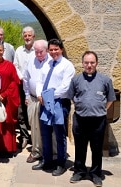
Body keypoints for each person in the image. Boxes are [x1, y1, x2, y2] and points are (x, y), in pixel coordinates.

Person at [67, 51, 116, 187]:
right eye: (87, 63)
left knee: (97, 148)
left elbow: (111, 99)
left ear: (96, 63)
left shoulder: (105, 80)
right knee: (80, 148)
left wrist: (101, 109)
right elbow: (71, 96)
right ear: (82, 63)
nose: (89, 65)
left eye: (92, 62)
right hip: (80, 119)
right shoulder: (76, 80)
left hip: (98, 120)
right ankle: (79, 171)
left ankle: (95, 174)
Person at [33, 39, 75, 176]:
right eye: (51, 50)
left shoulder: (67, 66)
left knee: (59, 134)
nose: (53, 52)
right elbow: (40, 81)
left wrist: (48, 96)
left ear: (61, 49)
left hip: (59, 103)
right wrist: (40, 94)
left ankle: (61, 163)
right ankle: (47, 160)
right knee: (45, 133)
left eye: (56, 49)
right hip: (45, 102)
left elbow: (65, 87)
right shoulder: (47, 64)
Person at [23, 40, 52, 163]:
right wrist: (26, 95)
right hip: (33, 98)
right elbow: (26, 78)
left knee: (49, 127)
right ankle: (36, 151)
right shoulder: (31, 60)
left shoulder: (52, 61)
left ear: (46, 50)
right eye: (36, 51)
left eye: (41, 52)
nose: (38, 54)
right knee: (34, 127)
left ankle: (51, 152)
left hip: (48, 99)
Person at [0, 43, 21, 156]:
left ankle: (9, 148)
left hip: (7, 98)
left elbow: (15, 82)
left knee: (7, 123)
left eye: (0, 50)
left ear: (3, 51)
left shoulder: (9, 65)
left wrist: (4, 94)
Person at [14, 26, 36, 149]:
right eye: (25, 35)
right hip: (21, 84)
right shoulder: (18, 51)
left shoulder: (37, 50)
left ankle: (35, 137)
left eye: (29, 35)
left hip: (33, 87)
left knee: (33, 113)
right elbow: (15, 65)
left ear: (33, 37)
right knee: (21, 112)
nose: (27, 37)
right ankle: (24, 137)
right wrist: (21, 77)